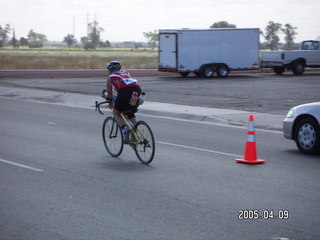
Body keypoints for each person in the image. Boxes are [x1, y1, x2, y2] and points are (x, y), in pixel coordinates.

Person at [103, 61, 142, 142]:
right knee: (129, 110)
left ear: (109, 70)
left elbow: (110, 96)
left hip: (124, 91)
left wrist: (107, 97)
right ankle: (135, 132)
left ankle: (125, 128)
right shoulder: (126, 73)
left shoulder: (110, 77)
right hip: (136, 89)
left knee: (116, 112)